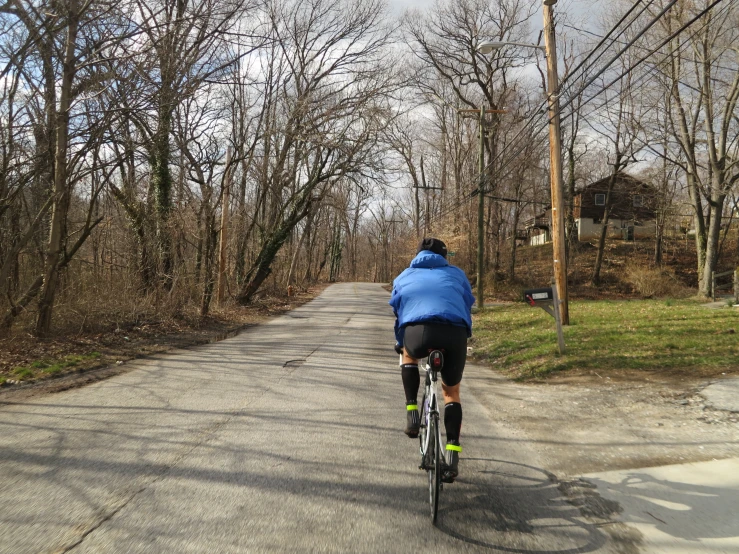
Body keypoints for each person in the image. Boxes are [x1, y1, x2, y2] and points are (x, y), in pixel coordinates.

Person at [389, 238, 475, 482]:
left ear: (417, 255)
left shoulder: (404, 275)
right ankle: (453, 454)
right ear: (444, 256)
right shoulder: (457, 274)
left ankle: (412, 412)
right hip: (453, 334)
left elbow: (399, 312)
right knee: (451, 392)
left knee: (408, 354)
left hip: (418, 332)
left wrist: (400, 341)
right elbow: (468, 304)